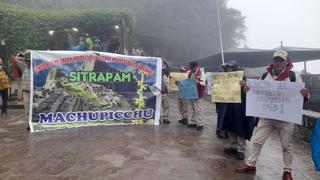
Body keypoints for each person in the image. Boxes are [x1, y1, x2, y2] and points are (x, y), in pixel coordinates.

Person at [236, 50, 310, 180]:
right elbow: (257, 91)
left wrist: (305, 94)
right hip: (267, 116)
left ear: (287, 62)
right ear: (273, 61)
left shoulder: (294, 76)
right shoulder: (265, 75)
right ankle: (251, 164)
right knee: (257, 141)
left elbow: (301, 96)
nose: (278, 62)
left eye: (281, 60)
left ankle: (287, 171)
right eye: (276, 60)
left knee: (286, 145)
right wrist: (248, 89)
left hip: (286, 118)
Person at [217, 61, 256, 160]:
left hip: (240, 108)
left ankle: (241, 150)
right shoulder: (222, 79)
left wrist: (244, 85)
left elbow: (251, 91)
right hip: (228, 107)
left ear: (235, 69)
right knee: (230, 126)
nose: (227, 70)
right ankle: (233, 146)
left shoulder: (243, 79)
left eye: (229, 68)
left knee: (241, 128)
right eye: (226, 69)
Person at [187, 61, 206, 131]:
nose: (191, 69)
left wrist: (198, 82)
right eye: (191, 68)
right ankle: (193, 122)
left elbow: (204, 83)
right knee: (191, 109)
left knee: (198, 109)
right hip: (190, 94)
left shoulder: (201, 73)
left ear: (197, 66)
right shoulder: (189, 73)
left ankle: (200, 124)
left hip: (198, 94)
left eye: (193, 68)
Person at [16, 51, 31, 130]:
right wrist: (23, 54)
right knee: (27, 109)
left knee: (34, 108)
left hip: (34, 92)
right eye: (27, 61)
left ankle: (34, 122)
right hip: (26, 92)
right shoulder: (23, 67)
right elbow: (17, 59)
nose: (28, 63)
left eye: (30, 61)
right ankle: (29, 124)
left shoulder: (36, 69)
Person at [161, 59, 170, 124]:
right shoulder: (155, 74)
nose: (163, 71)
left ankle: (165, 118)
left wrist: (164, 61)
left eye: (163, 70)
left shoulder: (166, 75)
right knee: (158, 106)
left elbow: (168, 67)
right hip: (158, 93)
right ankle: (157, 118)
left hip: (165, 93)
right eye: (162, 70)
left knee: (166, 106)